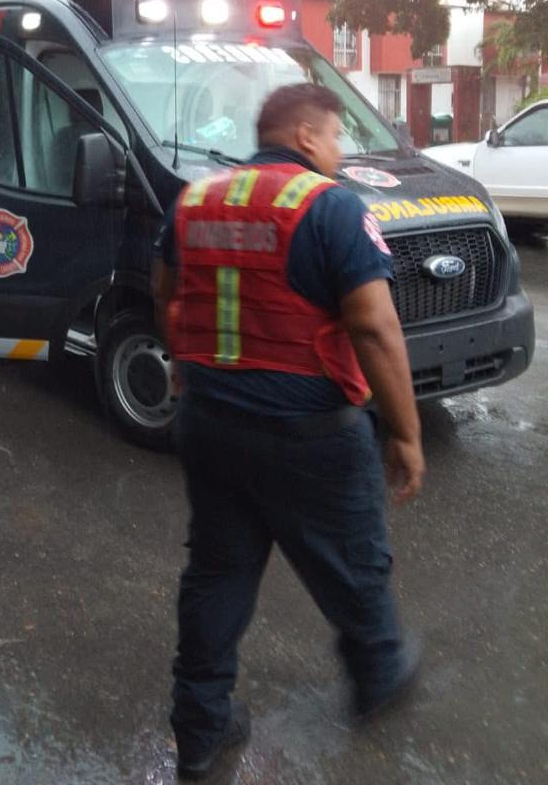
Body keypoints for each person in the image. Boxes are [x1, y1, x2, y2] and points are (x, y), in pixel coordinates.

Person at [153, 83, 424, 781]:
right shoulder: (327, 204)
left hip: (209, 421)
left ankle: (199, 728)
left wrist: (185, 362)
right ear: (305, 137)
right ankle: (379, 674)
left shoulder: (195, 200)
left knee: (217, 571)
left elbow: (166, 288)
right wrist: (406, 433)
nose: (338, 152)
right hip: (308, 432)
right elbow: (372, 324)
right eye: (335, 137)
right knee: (354, 559)